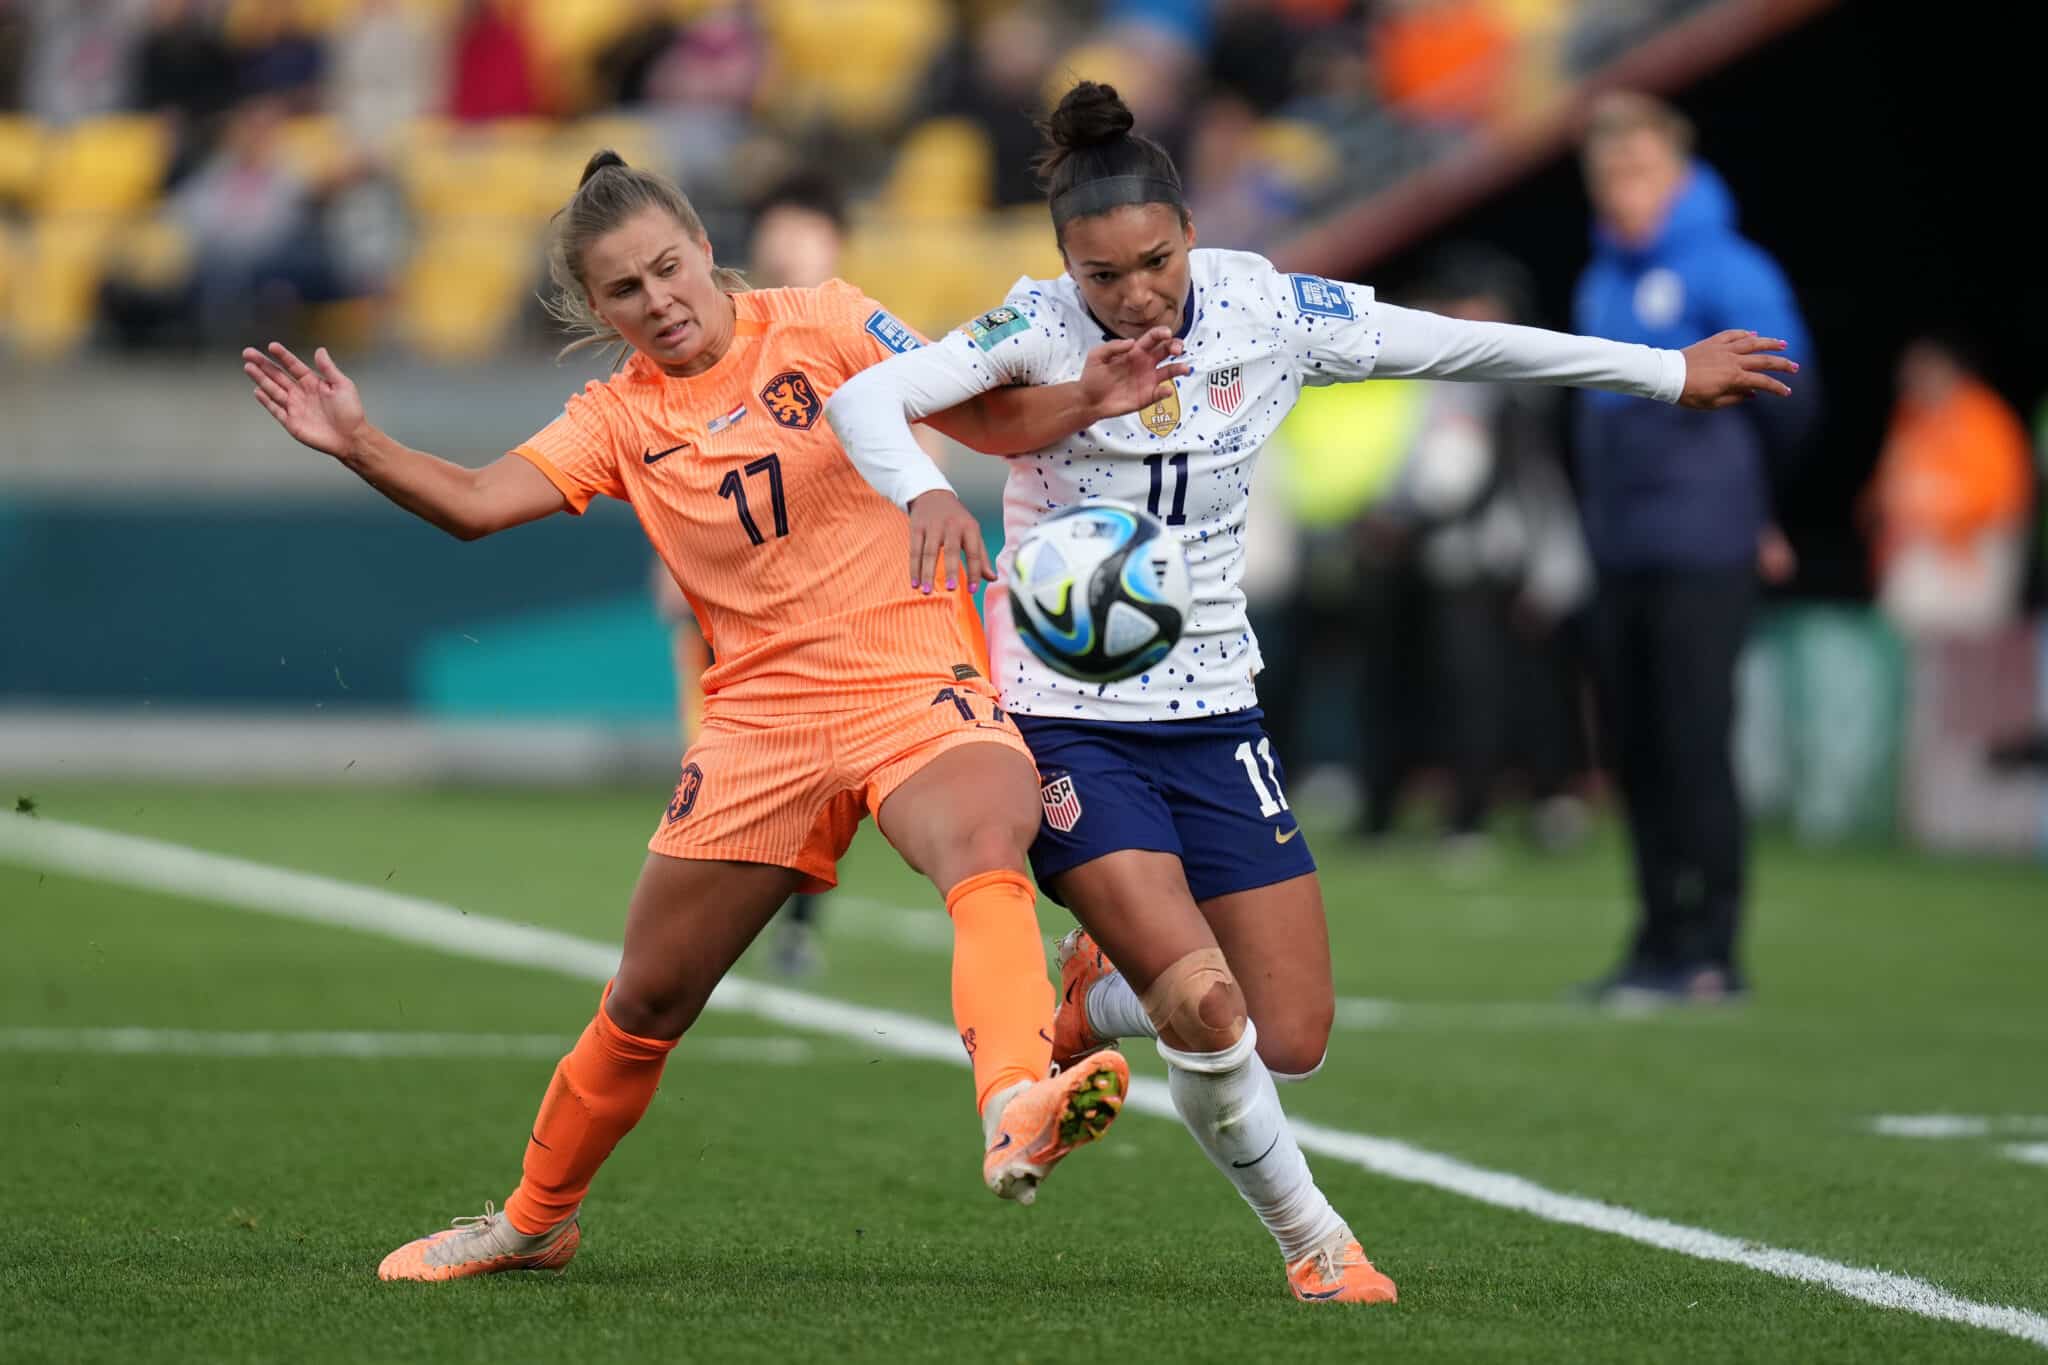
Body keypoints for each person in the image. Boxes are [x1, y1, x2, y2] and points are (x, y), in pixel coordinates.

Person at [824, 79, 1796, 1303]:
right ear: (1062, 262)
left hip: (1218, 709)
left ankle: (1094, 992)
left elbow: (1455, 343)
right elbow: (866, 395)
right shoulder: (1031, 326)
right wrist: (922, 492)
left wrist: (1660, 373)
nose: (1133, 294)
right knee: (1207, 1000)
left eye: (1155, 261)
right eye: (1101, 273)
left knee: (1290, 1035)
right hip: (1067, 712)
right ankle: (1316, 1244)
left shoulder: (1264, 308)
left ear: (1190, 230)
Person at [242, 149, 1193, 1281]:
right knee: (648, 997)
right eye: (625, 291)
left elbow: (981, 419)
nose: (659, 302)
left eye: (667, 269)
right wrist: (360, 442)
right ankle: (532, 1221)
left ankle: (1013, 1106)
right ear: (596, 309)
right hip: (759, 729)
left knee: (983, 842)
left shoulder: (830, 319)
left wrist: (1091, 392)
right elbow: (478, 503)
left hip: (912, 683)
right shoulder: (614, 417)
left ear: (703, 246)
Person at [1571, 92, 1819, 1003]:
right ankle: (1654, 940)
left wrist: (1754, 506)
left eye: (1636, 170)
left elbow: (1795, 393)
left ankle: (1712, 949)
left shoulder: (1731, 267)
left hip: (1705, 543)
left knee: (1694, 742)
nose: (1619, 189)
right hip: (1620, 546)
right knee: (1634, 749)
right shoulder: (1600, 276)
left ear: (1676, 172)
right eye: (1605, 174)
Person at [648, 171, 861, 976]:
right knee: (715, 774)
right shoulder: (712, 345)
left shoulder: (852, 335)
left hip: (827, 606)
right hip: (725, 604)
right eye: (776, 244)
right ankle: (719, 926)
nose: (786, 257)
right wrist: (671, 563)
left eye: (801, 242)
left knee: (819, 781)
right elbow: (670, 456)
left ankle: (790, 919)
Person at [1862, 336, 2033, 637]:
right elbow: (1887, 487)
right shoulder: (1911, 418)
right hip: (1915, 553)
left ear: (1948, 372)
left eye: (1921, 374)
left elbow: (2002, 500)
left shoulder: (1984, 417)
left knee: (1962, 642)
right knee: (1903, 628)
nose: (1912, 385)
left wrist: (1935, 521)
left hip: (1967, 553)